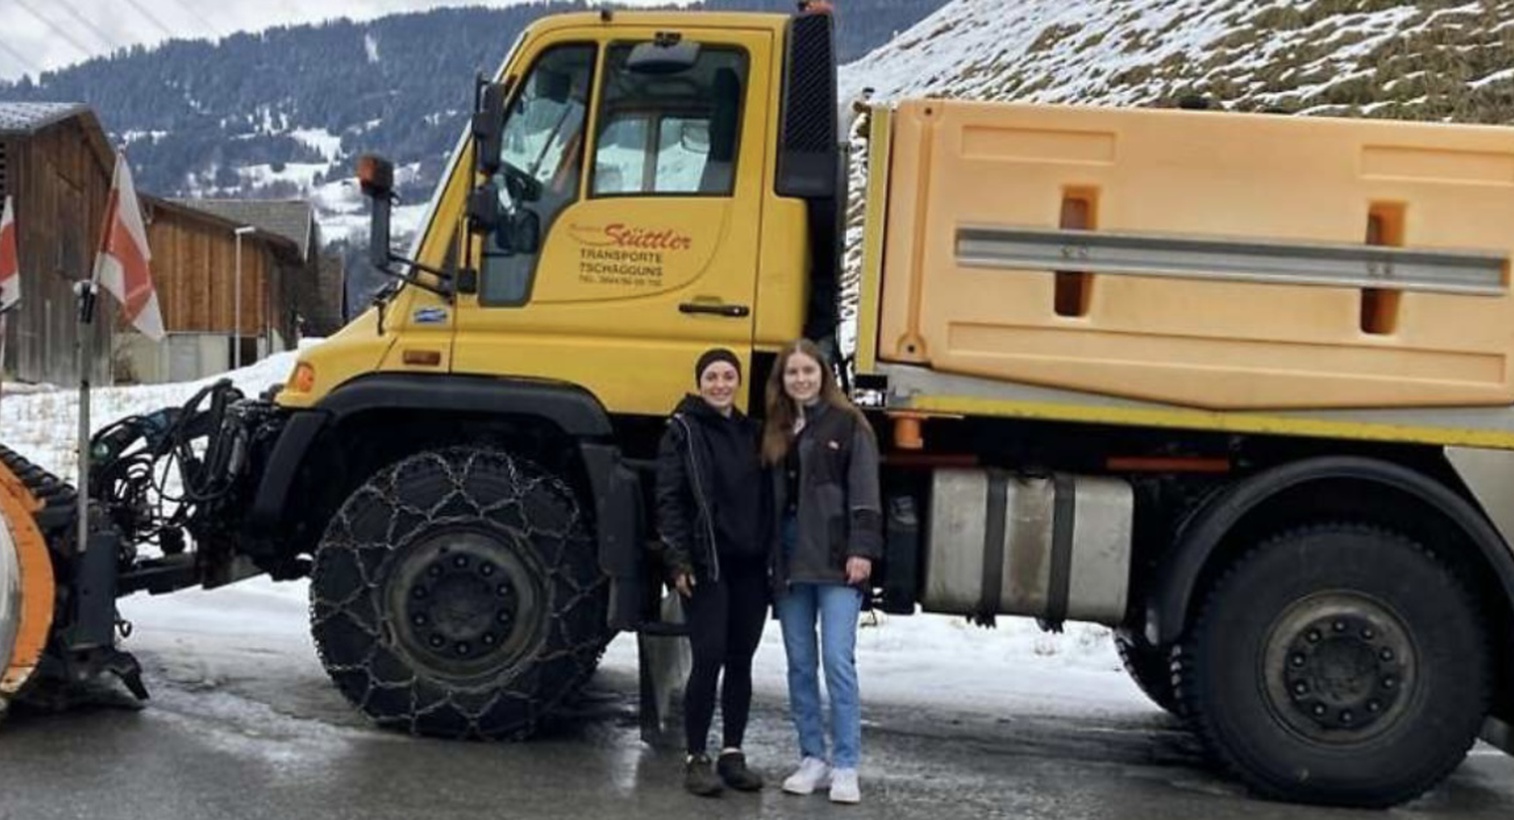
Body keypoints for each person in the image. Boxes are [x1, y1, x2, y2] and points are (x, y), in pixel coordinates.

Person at [763, 338, 882, 805]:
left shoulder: (849, 424)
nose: (800, 379)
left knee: (837, 661)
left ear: (823, 374)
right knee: (798, 663)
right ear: (782, 380)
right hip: (791, 562)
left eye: (808, 371)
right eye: (791, 373)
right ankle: (812, 757)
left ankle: (846, 765)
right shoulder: (775, 427)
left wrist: (862, 549)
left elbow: (866, 491)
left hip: (836, 561)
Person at [654, 347, 769, 797]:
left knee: (741, 660)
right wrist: (677, 560)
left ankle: (732, 754)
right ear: (700, 383)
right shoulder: (682, 431)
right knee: (709, 657)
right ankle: (696, 758)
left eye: (727, 376)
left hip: (751, 566)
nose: (720, 384)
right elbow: (670, 499)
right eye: (711, 377)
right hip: (707, 565)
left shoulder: (753, 432)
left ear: (738, 381)